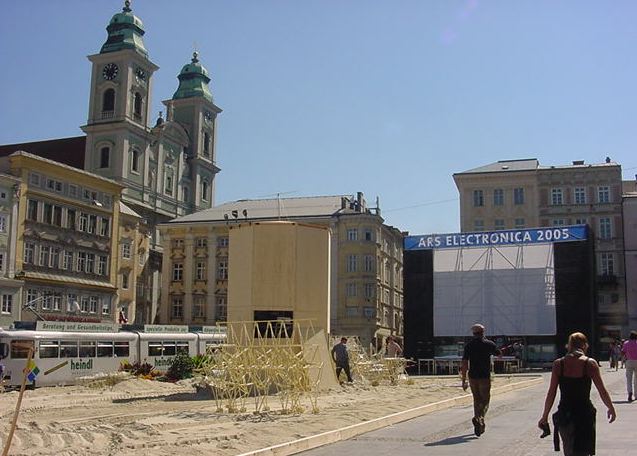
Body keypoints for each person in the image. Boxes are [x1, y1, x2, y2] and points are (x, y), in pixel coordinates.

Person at [539, 332, 616, 456]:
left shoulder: (559, 364)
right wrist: (610, 407)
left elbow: (551, 392)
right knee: (583, 451)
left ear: (569, 345)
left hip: (565, 414)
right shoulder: (590, 363)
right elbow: (602, 390)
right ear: (585, 345)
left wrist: (545, 416)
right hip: (584, 414)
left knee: (569, 450)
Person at [460, 323, 501, 437]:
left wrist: (464, 380)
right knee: (485, 399)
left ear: (473, 333)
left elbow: (464, 363)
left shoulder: (469, 346)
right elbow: (499, 354)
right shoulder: (489, 344)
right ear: (483, 332)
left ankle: (479, 423)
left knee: (476, 399)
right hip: (484, 376)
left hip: (472, 376)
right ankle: (480, 418)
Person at [622, 331, 637, 402]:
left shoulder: (626, 343)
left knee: (629, 379)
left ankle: (630, 392)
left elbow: (623, 352)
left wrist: (624, 357)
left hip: (629, 361)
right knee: (636, 379)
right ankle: (636, 394)